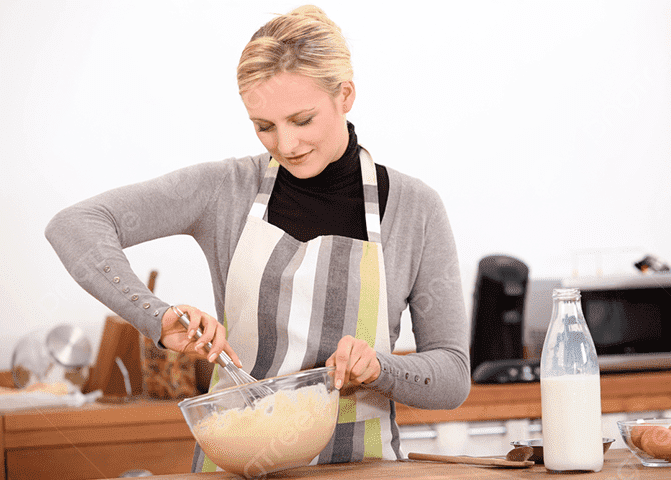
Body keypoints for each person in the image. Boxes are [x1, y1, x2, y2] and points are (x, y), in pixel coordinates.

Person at [45, 4, 470, 472]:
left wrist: (380, 369)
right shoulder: (224, 190)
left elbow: (452, 377)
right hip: (235, 468)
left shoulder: (414, 208)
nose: (286, 144)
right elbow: (74, 225)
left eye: (302, 119)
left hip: (361, 469)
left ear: (345, 95)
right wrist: (158, 317)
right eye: (264, 126)